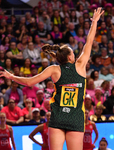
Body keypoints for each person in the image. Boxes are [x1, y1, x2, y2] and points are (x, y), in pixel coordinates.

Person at [0, 7, 104, 150]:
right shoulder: (80, 66)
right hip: (75, 118)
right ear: (69, 57)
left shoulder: (54, 69)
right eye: (73, 53)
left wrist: (11, 76)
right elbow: (89, 42)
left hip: (58, 117)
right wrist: (94, 23)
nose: (75, 55)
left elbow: (29, 82)